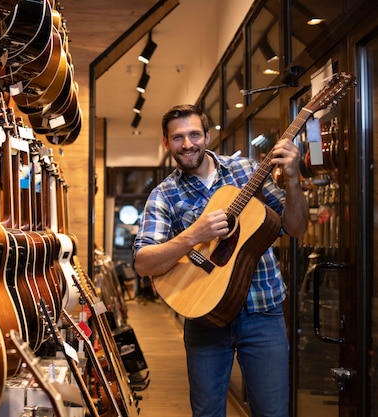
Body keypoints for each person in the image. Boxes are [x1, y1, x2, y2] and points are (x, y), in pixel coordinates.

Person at [132, 104, 308, 417]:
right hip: (205, 316)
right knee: (207, 412)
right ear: (165, 142)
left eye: (194, 134)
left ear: (208, 135)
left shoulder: (247, 170)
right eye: (177, 137)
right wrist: (192, 235)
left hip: (263, 310)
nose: (187, 144)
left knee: (272, 412)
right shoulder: (164, 194)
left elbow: (295, 227)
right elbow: (143, 262)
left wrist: (293, 180)